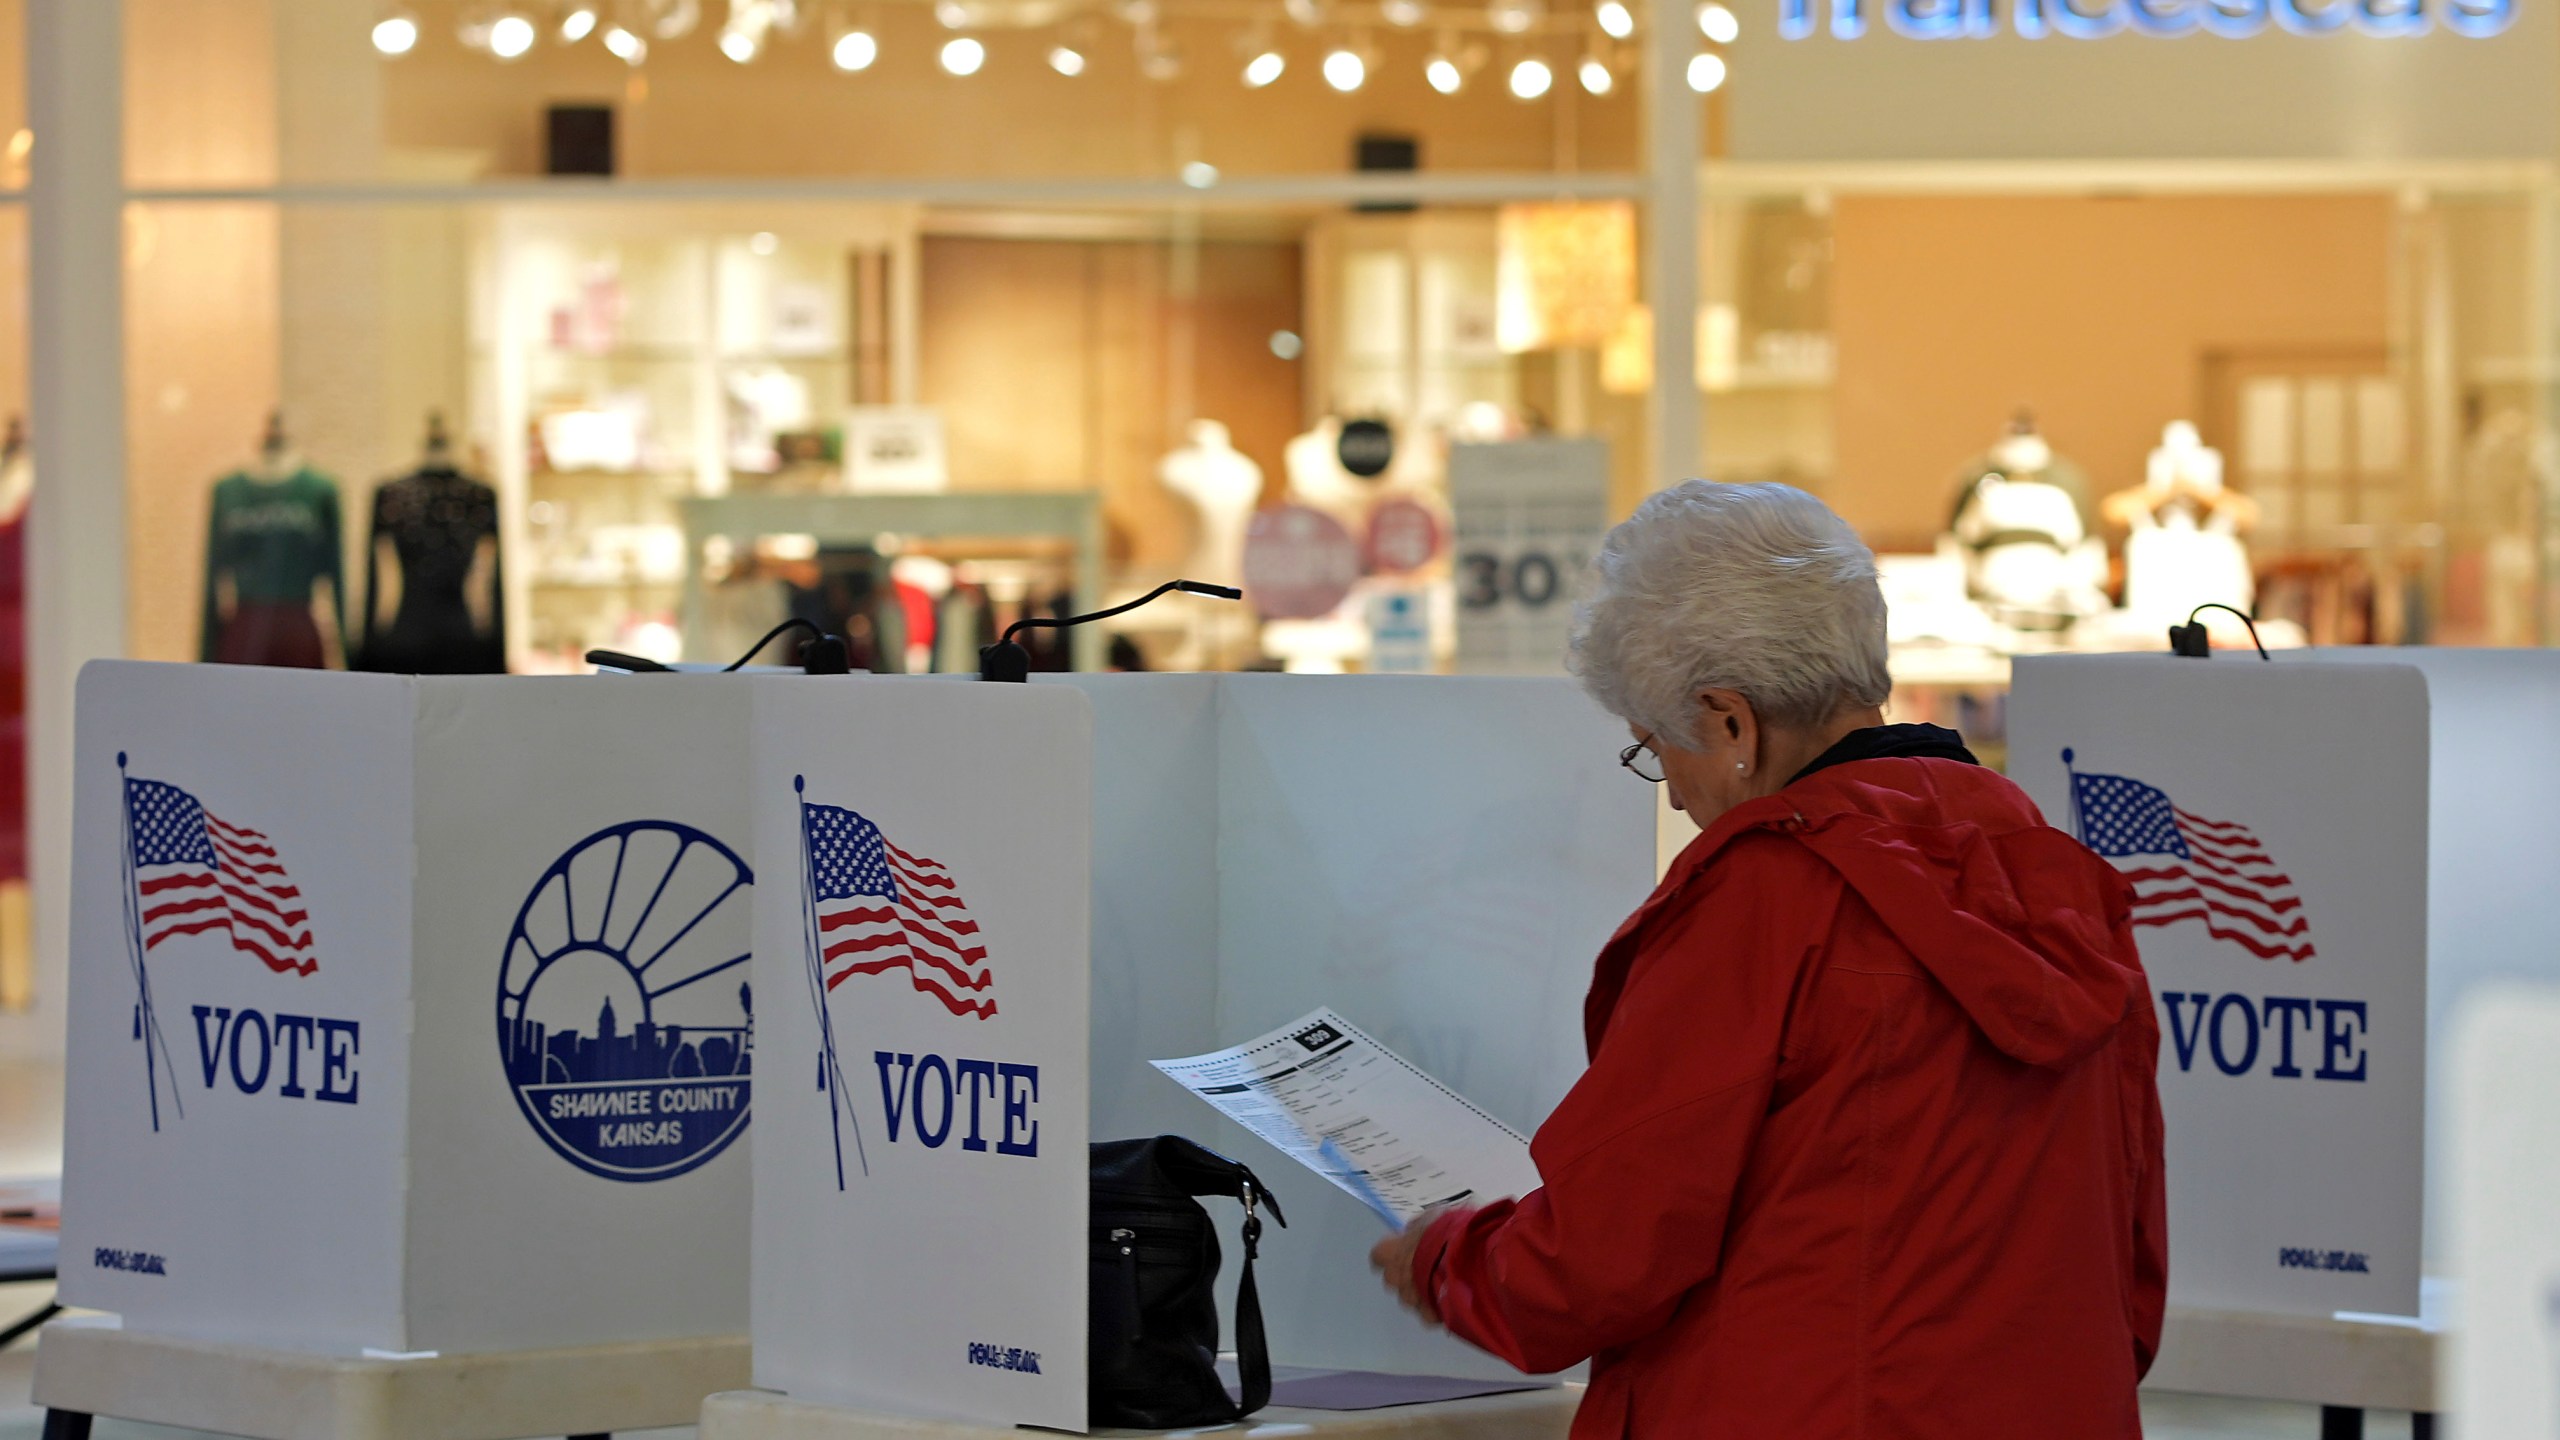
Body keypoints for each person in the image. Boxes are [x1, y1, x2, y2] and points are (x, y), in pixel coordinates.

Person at [1368, 481, 2167, 1437]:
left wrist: (1445, 1260)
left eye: (1656, 750)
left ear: (1733, 724)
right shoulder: (2062, 885)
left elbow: (1596, 1259)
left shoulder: (1765, 902)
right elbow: (2133, 1261)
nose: (1670, 796)